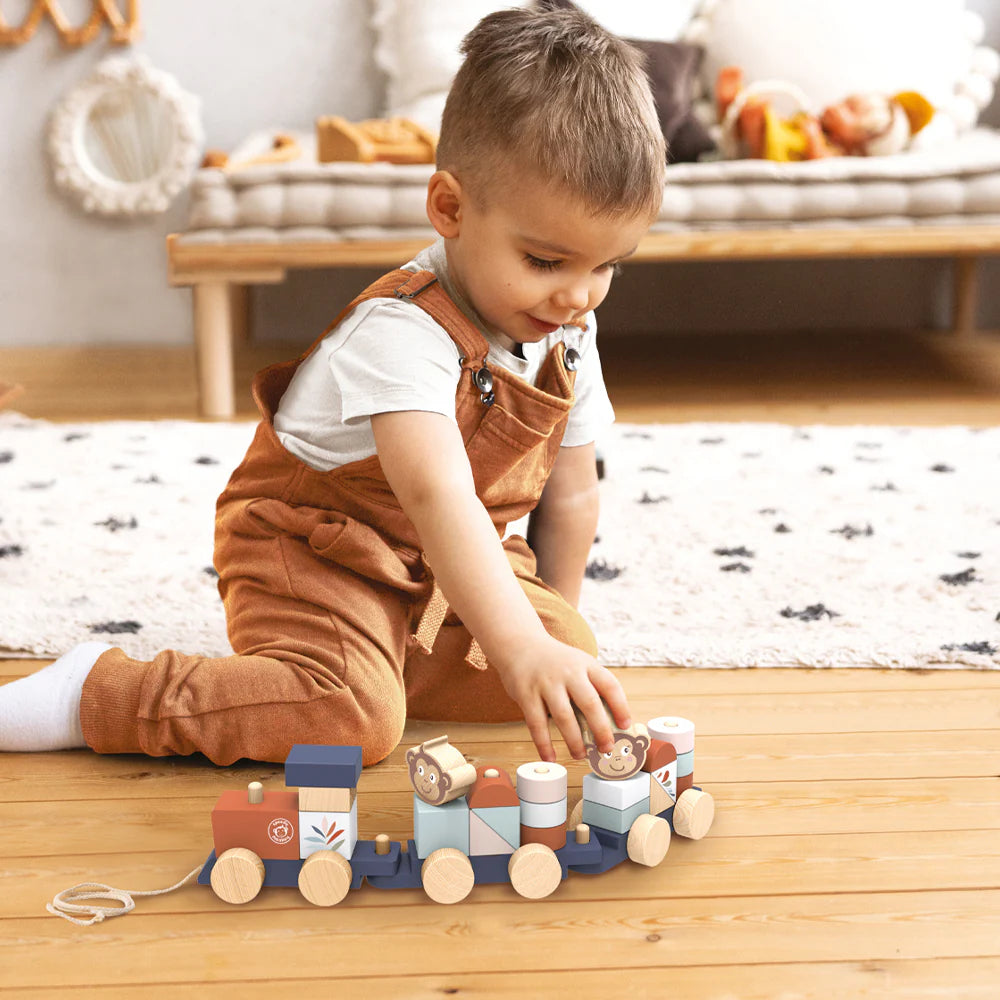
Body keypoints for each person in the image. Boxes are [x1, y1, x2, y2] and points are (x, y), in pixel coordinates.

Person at [0, 6, 666, 767]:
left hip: (440, 566)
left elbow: (572, 496)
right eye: (547, 262)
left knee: (572, 648)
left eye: (608, 265)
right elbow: (438, 496)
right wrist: (512, 641)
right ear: (449, 207)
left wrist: (546, 646)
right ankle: (94, 694)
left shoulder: (567, 333)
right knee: (356, 723)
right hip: (314, 555)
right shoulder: (402, 332)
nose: (578, 297)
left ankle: (372, 657)